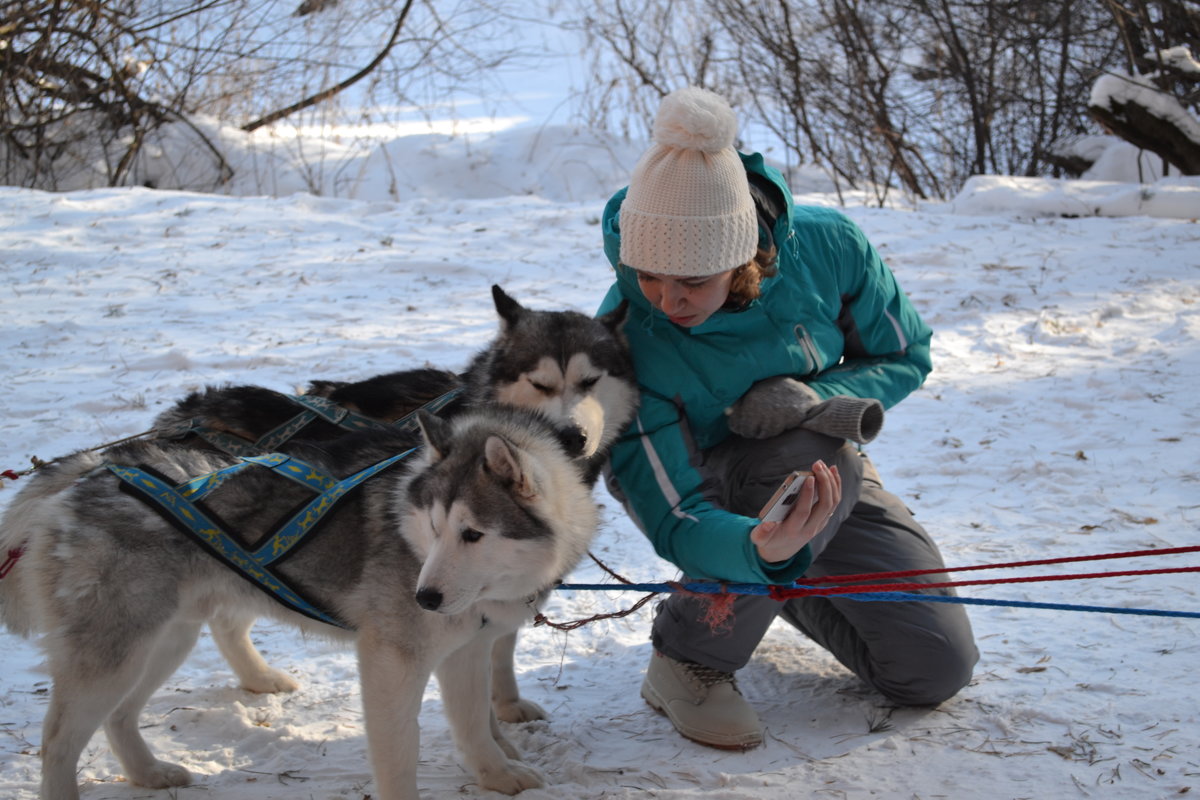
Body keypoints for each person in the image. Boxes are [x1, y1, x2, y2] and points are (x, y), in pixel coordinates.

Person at [596, 86, 978, 750]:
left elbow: (906, 353)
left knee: (932, 668)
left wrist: (814, 399)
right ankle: (689, 657)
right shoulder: (628, 341)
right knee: (811, 462)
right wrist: (750, 547)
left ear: (742, 254)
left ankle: (787, 570)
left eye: (693, 279)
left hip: (821, 470)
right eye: (650, 276)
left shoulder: (829, 248)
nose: (669, 299)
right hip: (706, 485)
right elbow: (673, 512)